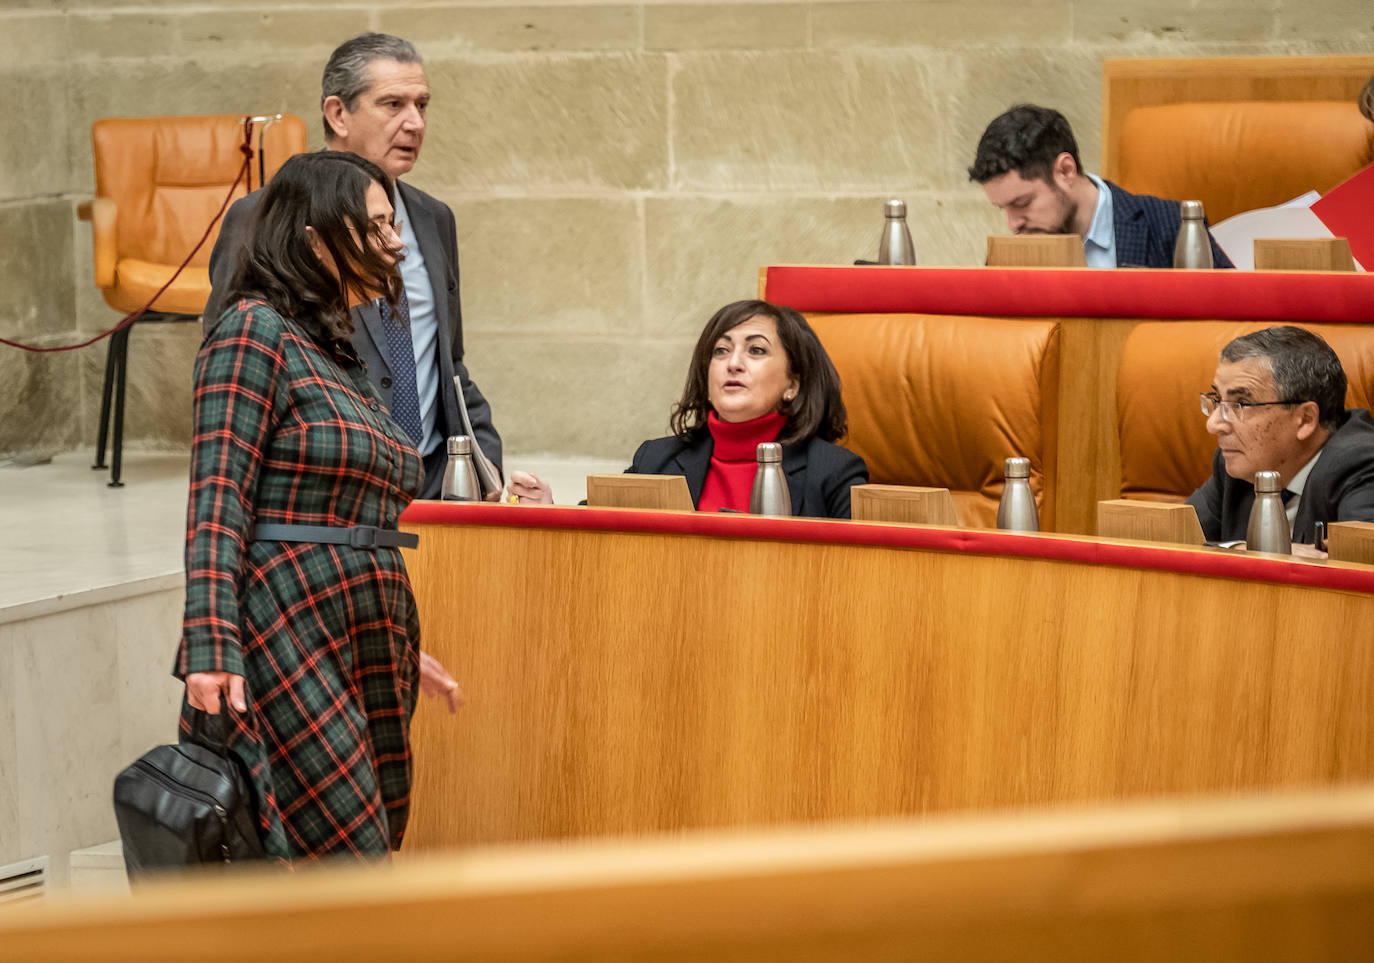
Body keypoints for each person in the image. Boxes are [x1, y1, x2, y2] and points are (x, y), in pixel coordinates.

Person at [178, 150, 464, 863]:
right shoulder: (252, 330)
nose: (395, 242)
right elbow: (217, 500)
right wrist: (211, 650)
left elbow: (348, 502)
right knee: (347, 856)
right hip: (286, 624)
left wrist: (399, 639)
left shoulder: (337, 352)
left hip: (369, 629)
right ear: (313, 238)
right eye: (373, 228)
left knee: (376, 835)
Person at [204, 32, 501, 499]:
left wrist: (484, 465)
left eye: (422, 105)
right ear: (338, 113)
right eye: (393, 104)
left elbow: (449, 365)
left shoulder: (433, 218)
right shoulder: (263, 218)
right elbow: (232, 379)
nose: (415, 123)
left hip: (435, 487)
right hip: (333, 499)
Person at [510, 300, 868, 518]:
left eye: (756, 351)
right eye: (721, 351)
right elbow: (598, 540)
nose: (734, 363)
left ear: (793, 384)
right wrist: (548, 508)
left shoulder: (833, 473)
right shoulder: (657, 461)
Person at [968, 104, 1234, 269]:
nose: (1013, 225)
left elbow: (1236, 332)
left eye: (1022, 203)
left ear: (1065, 170)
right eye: (1003, 209)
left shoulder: (1171, 226)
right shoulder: (1012, 254)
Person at [1187, 326, 1374, 554]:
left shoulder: (1362, 464)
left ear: (1305, 419)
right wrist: (1257, 551)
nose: (1213, 424)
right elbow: (1174, 539)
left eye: (1241, 404)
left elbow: (1362, 564)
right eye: (1217, 399)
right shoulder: (1238, 464)